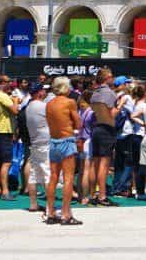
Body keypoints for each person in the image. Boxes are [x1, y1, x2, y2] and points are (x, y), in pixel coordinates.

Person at [42, 78, 81, 225]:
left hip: (53, 141)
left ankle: (50, 212)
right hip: (66, 140)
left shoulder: (49, 104)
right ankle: (66, 214)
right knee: (68, 178)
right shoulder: (69, 102)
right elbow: (78, 123)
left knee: (53, 177)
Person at [86, 67, 119, 207]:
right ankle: (102, 196)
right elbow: (111, 114)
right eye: (111, 77)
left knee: (95, 163)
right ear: (107, 78)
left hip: (96, 128)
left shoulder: (94, 94)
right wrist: (121, 106)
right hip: (106, 129)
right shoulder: (109, 94)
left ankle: (93, 194)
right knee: (104, 164)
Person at [21, 82, 53, 211]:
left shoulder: (29, 106)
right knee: (47, 174)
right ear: (40, 92)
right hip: (45, 142)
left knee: (34, 174)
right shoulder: (43, 106)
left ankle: (33, 204)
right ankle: (49, 206)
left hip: (35, 142)